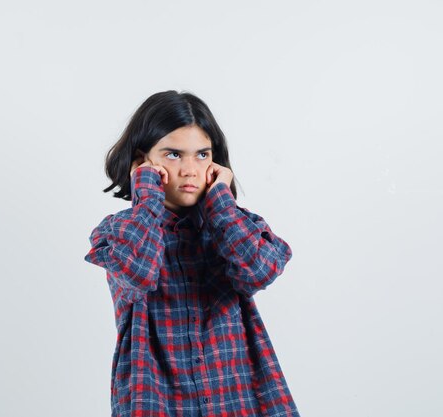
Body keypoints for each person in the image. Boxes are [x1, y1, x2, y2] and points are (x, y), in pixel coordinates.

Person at [84, 90, 300, 417]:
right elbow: (138, 272)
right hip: (159, 401)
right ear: (142, 161)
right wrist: (148, 193)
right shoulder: (120, 231)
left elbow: (259, 272)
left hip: (242, 401)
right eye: (173, 155)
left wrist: (222, 203)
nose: (190, 170)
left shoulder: (235, 225)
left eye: (201, 155)